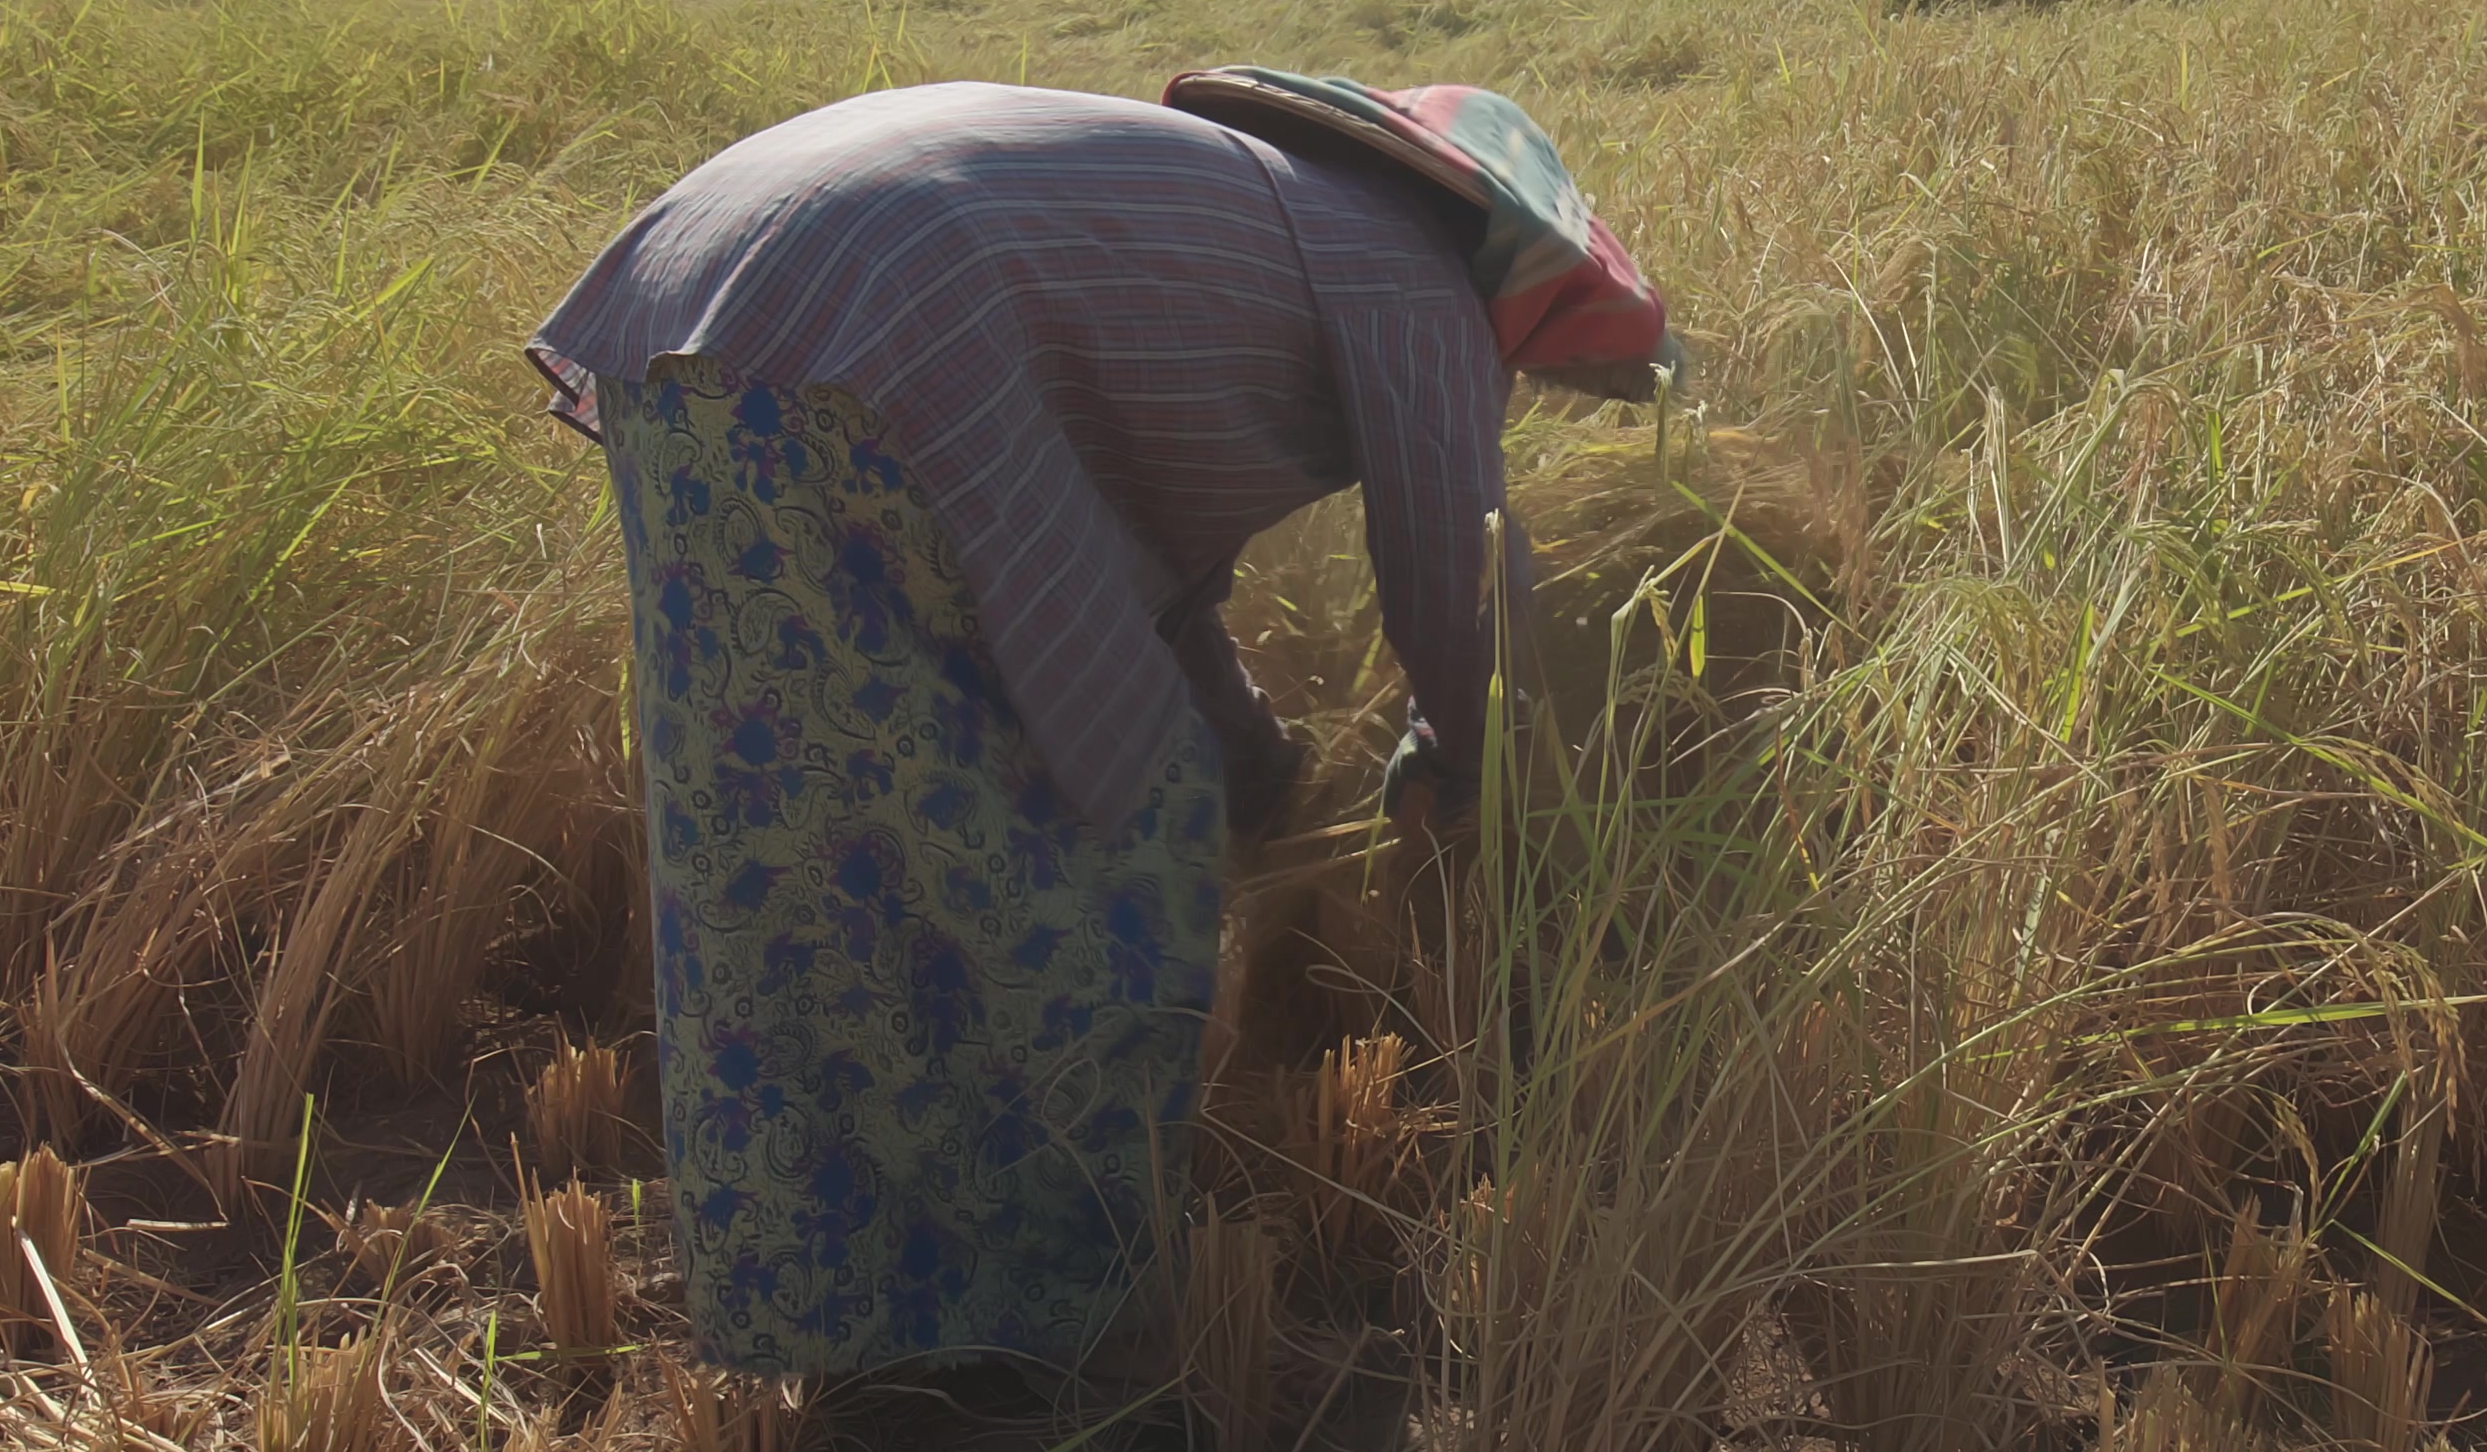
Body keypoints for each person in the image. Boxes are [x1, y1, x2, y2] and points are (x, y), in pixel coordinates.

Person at [528, 73, 1676, 1376]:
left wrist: (1260, 775)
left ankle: (836, 1307)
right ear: (1519, 261)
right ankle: (1051, 1312)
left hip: (696, 329)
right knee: (1116, 826)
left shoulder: (1251, 212)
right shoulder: (1412, 274)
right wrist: (1493, 780)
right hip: (890, 343)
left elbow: (1143, 610)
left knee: (792, 844)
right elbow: (1457, 588)